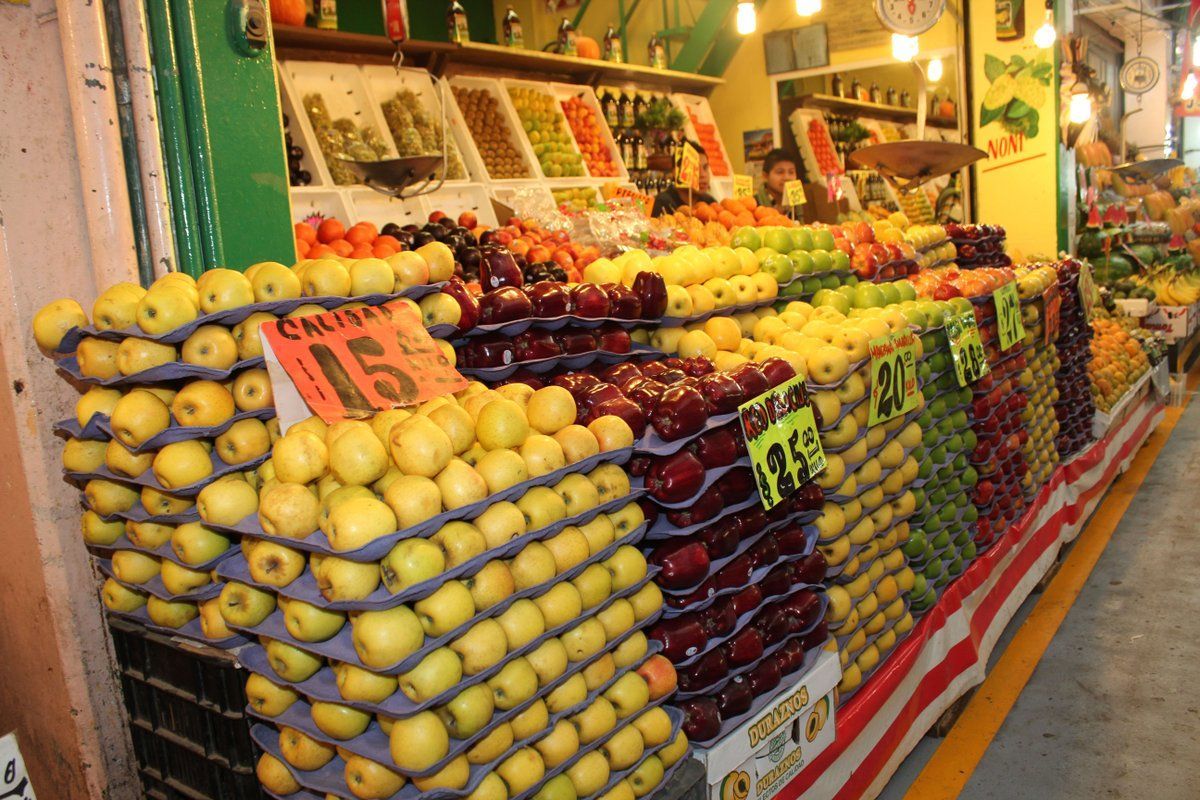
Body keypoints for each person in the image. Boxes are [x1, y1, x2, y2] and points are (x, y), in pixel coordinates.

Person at [651, 140, 716, 216]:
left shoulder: (710, 203)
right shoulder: (662, 203)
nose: (703, 175)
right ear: (676, 172)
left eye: (705, 168)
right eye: (695, 169)